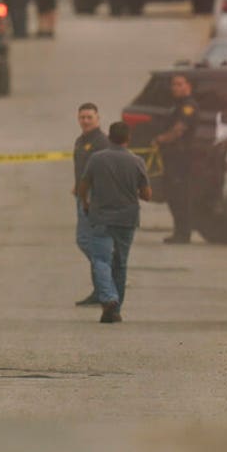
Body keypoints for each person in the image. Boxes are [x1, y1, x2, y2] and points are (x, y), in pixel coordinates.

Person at [77, 121, 152, 324]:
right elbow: (146, 195)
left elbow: (82, 187)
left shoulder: (96, 159)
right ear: (128, 139)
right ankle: (115, 310)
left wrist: (85, 204)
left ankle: (108, 298)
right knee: (120, 263)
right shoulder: (137, 161)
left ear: (109, 137)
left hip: (101, 218)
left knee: (101, 260)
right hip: (127, 220)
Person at [154, 74, 199, 244]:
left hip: (181, 157)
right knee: (172, 194)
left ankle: (183, 233)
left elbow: (179, 129)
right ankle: (179, 231)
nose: (176, 88)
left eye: (180, 84)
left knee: (180, 195)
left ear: (188, 86)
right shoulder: (176, 105)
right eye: (173, 84)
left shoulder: (188, 106)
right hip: (172, 156)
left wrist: (161, 139)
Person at [72, 103, 109, 306]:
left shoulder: (101, 142)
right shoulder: (81, 140)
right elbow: (82, 167)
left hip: (92, 198)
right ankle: (100, 289)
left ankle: (106, 270)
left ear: (98, 118)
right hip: (82, 193)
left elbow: (102, 173)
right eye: (82, 117)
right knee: (89, 241)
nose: (85, 121)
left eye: (89, 117)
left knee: (86, 240)